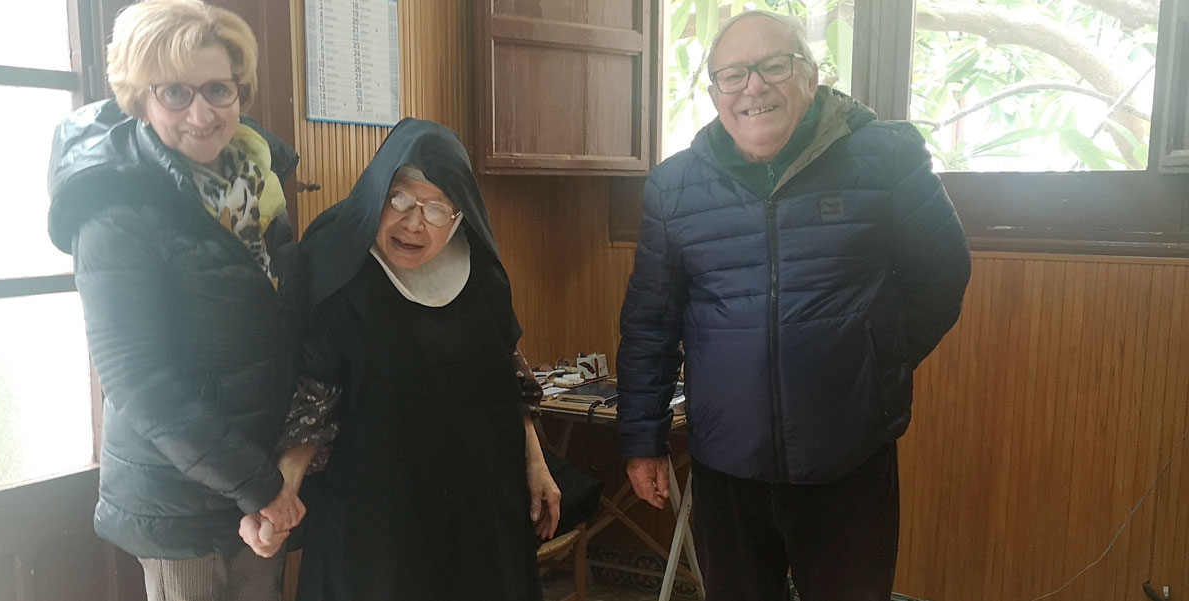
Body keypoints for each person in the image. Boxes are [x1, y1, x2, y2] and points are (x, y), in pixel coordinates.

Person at [615, 10, 972, 601]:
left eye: (774, 66)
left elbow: (941, 274)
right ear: (715, 93)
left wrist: (875, 359)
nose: (753, 87)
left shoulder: (885, 157)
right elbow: (650, 322)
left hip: (849, 456)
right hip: (727, 462)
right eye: (733, 75)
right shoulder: (674, 187)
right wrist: (641, 439)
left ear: (810, 75)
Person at [46, 1, 307, 598]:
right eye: (174, 93)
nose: (201, 113)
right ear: (140, 97)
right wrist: (259, 486)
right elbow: (137, 382)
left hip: (261, 480)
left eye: (218, 89)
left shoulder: (258, 181)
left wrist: (278, 478)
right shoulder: (112, 207)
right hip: (180, 502)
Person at [274, 117, 561, 601]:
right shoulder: (339, 267)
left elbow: (508, 375)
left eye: (436, 208)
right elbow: (315, 394)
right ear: (376, 195)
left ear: (459, 215)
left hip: (479, 502)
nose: (413, 223)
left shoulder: (481, 273)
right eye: (400, 199)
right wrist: (285, 486)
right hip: (377, 512)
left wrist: (536, 463)